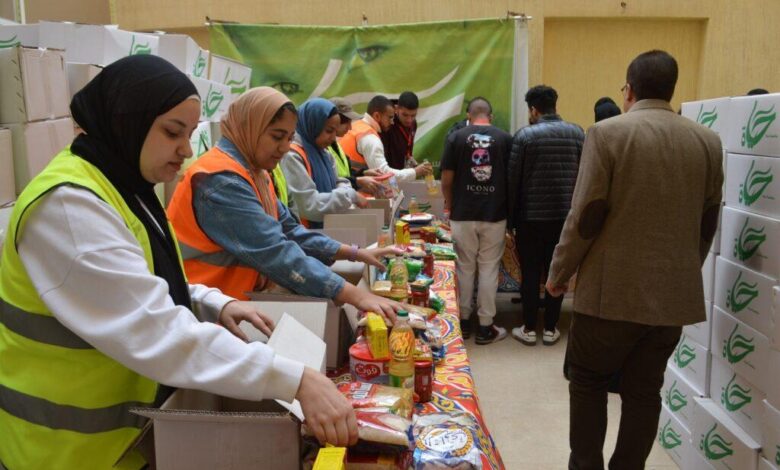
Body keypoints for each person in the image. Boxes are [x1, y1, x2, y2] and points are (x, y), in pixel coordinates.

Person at [0, 56, 358, 470]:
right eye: (173, 132)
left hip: (123, 441)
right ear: (124, 122)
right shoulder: (68, 206)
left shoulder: (123, 184)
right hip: (64, 452)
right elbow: (153, 328)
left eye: (189, 133)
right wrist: (294, 379)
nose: (187, 149)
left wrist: (209, 300)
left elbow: (138, 278)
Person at [545, 50, 723, 469]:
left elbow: (585, 218)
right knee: (645, 393)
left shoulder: (607, 134)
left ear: (629, 88)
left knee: (587, 384)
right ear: (672, 88)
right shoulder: (708, 142)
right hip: (670, 301)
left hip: (610, 296)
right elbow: (707, 221)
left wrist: (559, 273)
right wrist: (683, 269)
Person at [167, 87, 402, 321]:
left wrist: (356, 253)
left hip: (240, 305)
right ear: (249, 127)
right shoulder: (222, 181)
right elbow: (277, 252)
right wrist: (357, 296)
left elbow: (291, 230)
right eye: (277, 137)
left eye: (289, 138)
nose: (284, 148)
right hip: (209, 313)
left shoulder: (255, 172)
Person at [507, 85, 584, 347]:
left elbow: (513, 182)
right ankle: (551, 328)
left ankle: (528, 328)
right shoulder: (577, 134)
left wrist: (510, 220)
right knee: (557, 272)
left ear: (533, 110)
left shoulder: (525, 136)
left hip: (530, 219)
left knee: (530, 273)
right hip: (565, 218)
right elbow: (586, 177)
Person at [441, 97, 512, 344]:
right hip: (494, 214)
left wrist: (449, 206)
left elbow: (446, 179)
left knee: (464, 266)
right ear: (489, 117)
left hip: (462, 214)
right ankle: (485, 326)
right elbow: (510, 179)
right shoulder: (505, 139)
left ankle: (462, 322)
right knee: (489, 267)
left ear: (468, 116)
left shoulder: (456, 137)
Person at [281, 98, 367, 228]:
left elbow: (337, 181)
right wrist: (349, 194)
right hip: (306, 236)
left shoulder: (324, 153)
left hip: (327, 231)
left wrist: (345, 189)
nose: (333, 138)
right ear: (313, 125)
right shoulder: (293, 156)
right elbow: (310, 206)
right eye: (328, 131)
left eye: (334, 131)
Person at [340, 94, 431, 182]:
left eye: (413, 116)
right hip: (358, 191)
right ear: (377, 116)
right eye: (390, 118)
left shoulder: (359, 125)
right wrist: (415, 172)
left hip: (350, 184)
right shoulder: (370, 138)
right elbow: (384, 174)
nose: (392, 122)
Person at [329, 97, 382, 195]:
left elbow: (346, 172)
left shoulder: (335, 144)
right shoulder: (324, 148)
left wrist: (363, 173)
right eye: (346, 122)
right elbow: (332, 181)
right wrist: (358, 181)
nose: (350, 128)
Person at [381, 91, 420, 170]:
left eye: (413, 115)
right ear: (396, 108)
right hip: (388, 174)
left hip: (402, 173)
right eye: (405, 115)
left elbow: (407, 149)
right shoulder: (387, 123)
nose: (409, 120)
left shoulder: (413, 124)